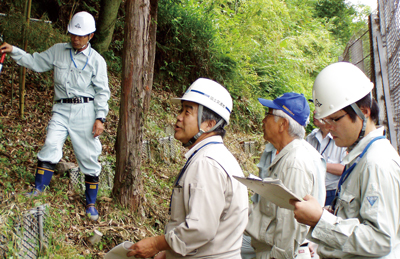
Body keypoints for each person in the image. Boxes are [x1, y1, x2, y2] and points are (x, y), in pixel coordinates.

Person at [0, 11, 110, 221]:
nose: (75, 38)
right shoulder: (59, 50)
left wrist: (100, 118)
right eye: (72, 34)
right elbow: (35, 61)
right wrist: (14, 50)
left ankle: (91, 203)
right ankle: (38, 189)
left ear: (91, 36)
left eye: (80, 35)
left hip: (85, 111)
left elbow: (103, 92)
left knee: (88, 156)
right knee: (51, 143)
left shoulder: (97, 61)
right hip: (61, 108)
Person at [126, 78, 249, 259]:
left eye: (187, 112)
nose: (179, 116)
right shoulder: (217, 156)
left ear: (209, 124)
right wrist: (169, 252)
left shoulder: (207, 163)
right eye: (181, 110)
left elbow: (201, 228)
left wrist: (156, 244)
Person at [291, 62, 400, 258]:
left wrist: (320, 220)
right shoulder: (360, 156)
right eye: (326, 120)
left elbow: (381, 240)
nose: (330, 127)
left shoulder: (377, 162)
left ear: (364, 112)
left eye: (335, 119)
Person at [244, 92, 326, 259]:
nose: (263, 120)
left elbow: (290, 223)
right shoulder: (291, 154)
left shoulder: (294, 163)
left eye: (268, 114)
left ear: (283, 124)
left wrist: (278, 256)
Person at [306, 110, 347, 206]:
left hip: (331, 192)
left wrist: (319, 164)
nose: (315, 112)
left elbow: (344, 169)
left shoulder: (341, 139)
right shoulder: (311, 137)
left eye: (319, 109)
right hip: (311, 190)